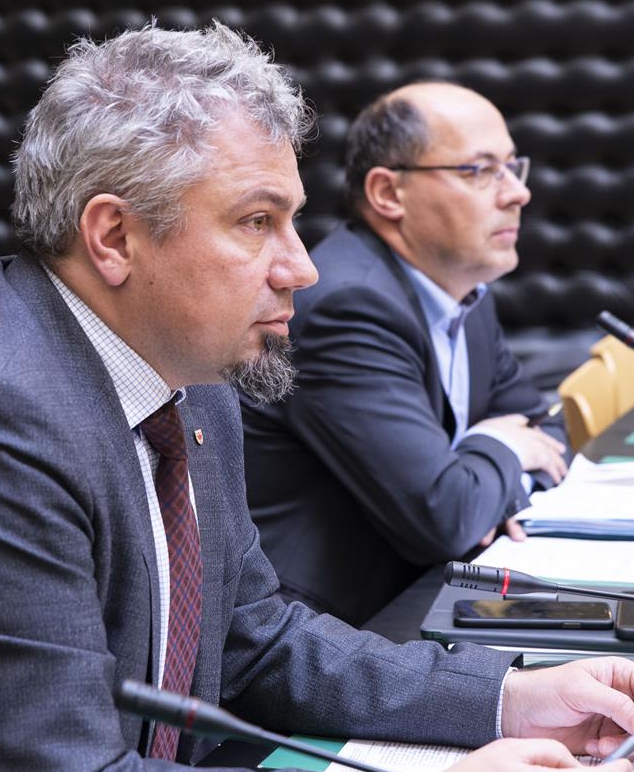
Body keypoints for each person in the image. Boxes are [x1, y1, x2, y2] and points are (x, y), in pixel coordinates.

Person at [0, 24, 634, 772]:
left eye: (292, 220)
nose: (302, 268)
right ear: (114, 237)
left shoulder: (194, 377)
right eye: (257, 222)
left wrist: (506, 700)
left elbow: (257, 639)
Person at [242, 82, 570, 626]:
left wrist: (488, 490)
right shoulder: (348, 307)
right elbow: (445, 517)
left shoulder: (463, 291)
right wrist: (499, 447)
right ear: (388, 193)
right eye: (480, 171)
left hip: (421, 593)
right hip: (325, 631)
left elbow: (546, 430)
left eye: (514, 168)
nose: (517, 193)